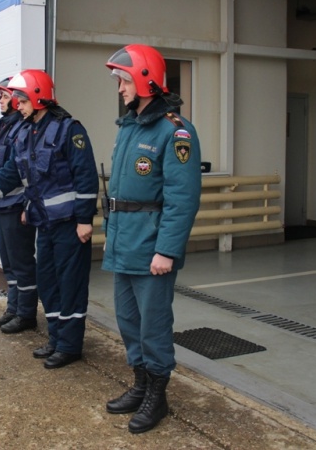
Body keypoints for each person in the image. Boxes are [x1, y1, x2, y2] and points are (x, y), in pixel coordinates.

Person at [102, 44, 201, 434]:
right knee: (128, 321)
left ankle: (157, 396)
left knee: (153, 325)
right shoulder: (130, 126)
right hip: (124, 243)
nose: (120, 88)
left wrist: (167, 250)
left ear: (144, 79)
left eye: (124, 80)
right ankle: (141, 385)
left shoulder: (175, 131)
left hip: (151, 248)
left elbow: (183, 198)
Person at [0, 70, 98, 369]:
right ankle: (56, 339)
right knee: (48, 282)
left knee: (70, 285)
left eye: (22, 99)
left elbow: (86, 176)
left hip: (69, 224)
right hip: (44, 222)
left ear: (39, 97)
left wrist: (84, 220)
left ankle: (70, 346)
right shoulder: (27, 132)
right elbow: (14, 173)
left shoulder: (69, 130)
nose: (18, 105)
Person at [0, 78, 38, 334]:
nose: (0, 101)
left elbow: (18, 170)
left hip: (17, 204)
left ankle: (26, 314)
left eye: (4, 96)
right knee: (8, 263)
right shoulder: (4, 125)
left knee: (21, 262)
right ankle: (13, 308)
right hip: (2, 204)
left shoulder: (24, 128)